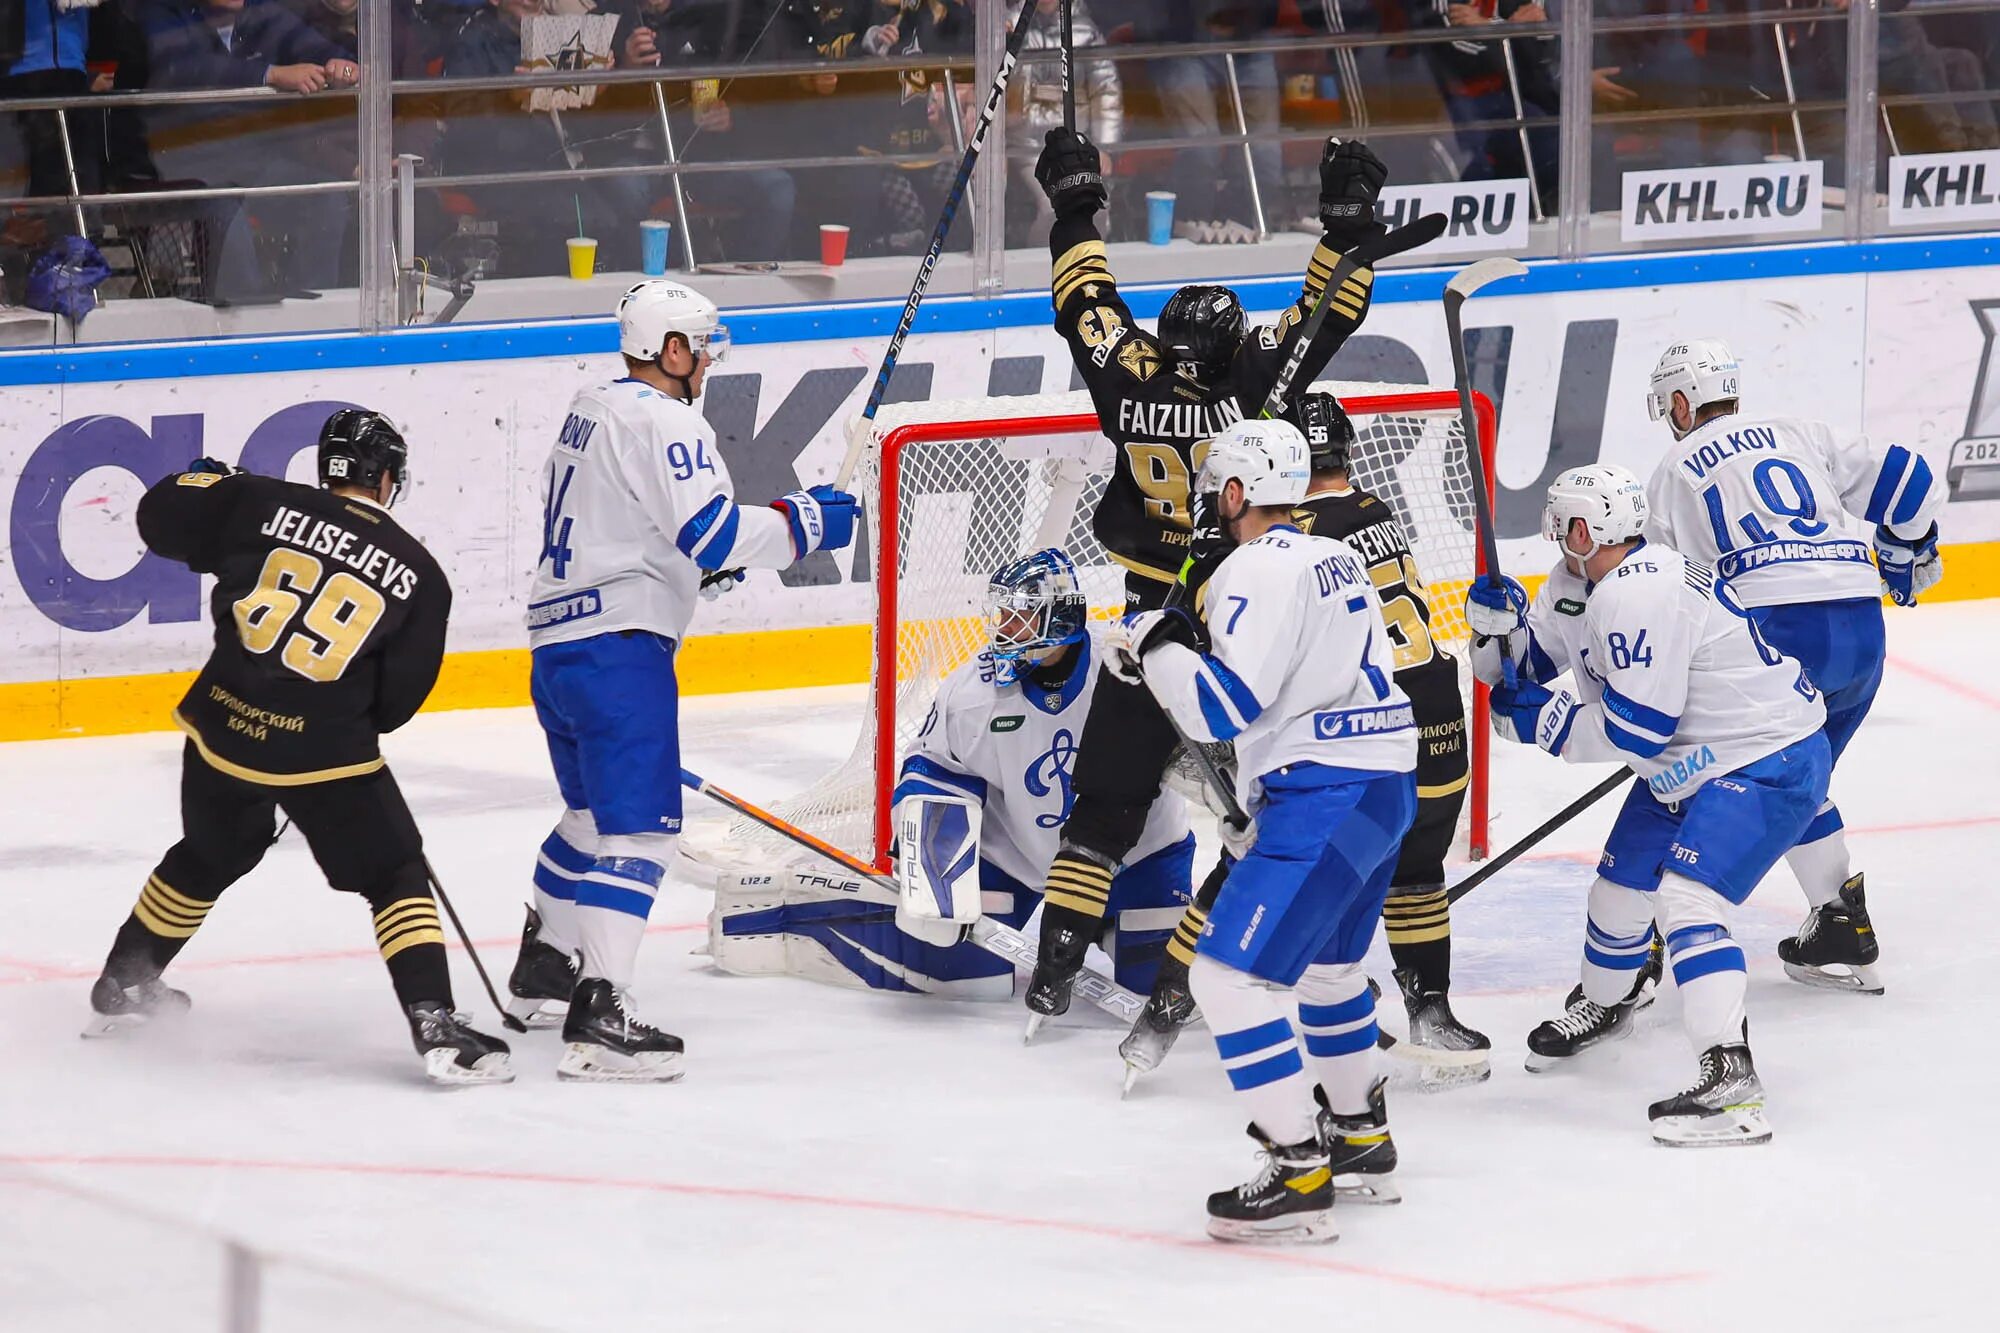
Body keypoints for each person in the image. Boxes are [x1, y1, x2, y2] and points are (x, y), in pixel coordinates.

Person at [1023, 124, 1391, 1036]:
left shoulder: (1128, 376)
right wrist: (1344, 227)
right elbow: (1323, 317)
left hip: (1145, 614)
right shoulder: (1251, 391)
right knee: (1265, 803)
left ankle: (1056, 961)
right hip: (1237, 614)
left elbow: (1088, 304)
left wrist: (1076, 204)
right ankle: (1209, 973)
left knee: (1108, 797)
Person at [84, 410, 513, 1086]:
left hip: (221, 727)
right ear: (388, 478)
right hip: (327, 752)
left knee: (211, 850)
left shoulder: (255, 501)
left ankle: (125, 978)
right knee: (394, 871)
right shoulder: (422, 575)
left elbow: (155, 519)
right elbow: (397, 705)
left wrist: (202, 482)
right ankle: (434, 1019)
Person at [503, 279, 859, 1082]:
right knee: (643, 833)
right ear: (670, 350)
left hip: (557, 647)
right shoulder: (667, 418)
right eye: (700, 346)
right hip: (618, 653)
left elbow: (631, 526)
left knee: (590, 817)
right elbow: (713, 531)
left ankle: (544, 967)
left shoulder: (589, 407)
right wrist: (807, 522)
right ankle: (602, 1009)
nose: (706, 361)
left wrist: (685, 572)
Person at [1111, 417, 1417, 1243]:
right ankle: (1359, 1136)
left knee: (1226, 980)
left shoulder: (1252, 566)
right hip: (1382, 788)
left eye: (1220, 483)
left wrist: (1156, 643)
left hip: (1325, 793)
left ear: (1239, 491)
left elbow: (1221, 706)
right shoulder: (1333, 554)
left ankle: (1297, 1166)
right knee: (1327, 972)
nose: (1214, 496)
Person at [1466, 464, 1831, 1147]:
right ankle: (1610, 1003)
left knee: (1688, 901)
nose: (1549, 530)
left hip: (1762, 756)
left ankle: (1732, 1082)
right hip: (1691, 760)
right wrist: (1495, 634)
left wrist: (1547, 722)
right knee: (1615, 898)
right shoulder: (1577, 584)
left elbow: (1639, 728)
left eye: (1558, 519)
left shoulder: (1642, 592)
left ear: (1583, 527)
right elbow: (1513, 678)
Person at [707, 549, 1196, 999]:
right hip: (1016, 856)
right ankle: (789, 915)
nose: (1004, 626)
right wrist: (929, 873)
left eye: (1020, 615)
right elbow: (932, 773)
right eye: (1002, 613)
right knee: (951, 968)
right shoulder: (973, 693)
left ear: (1060, 617)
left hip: (1138, 854)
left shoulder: (1127, 675)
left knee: (1162, 980)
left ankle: (1122, 925)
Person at [1640, 338, 1943, 995]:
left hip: (1775, 630)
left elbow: (1660, 594)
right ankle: (1840, 921)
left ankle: (1656, 923)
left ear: (1685, 401)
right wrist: (1905, 546)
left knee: (1718, 769)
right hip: (1861, 626)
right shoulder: (1800, 433)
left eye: (1670, 406)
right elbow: (1915, 478)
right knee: (1797, 772)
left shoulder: (1673, 468)